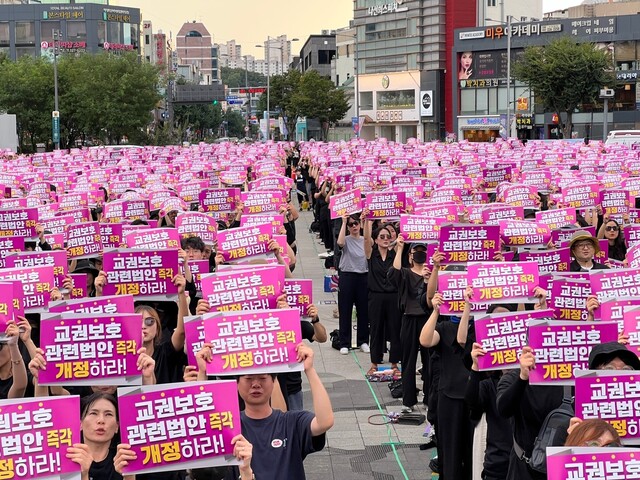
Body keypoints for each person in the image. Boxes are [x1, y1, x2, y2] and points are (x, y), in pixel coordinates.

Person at [195, 342, 334, 480]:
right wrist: (202, 372)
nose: (256, 384)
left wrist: (309, 369)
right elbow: (201, 425)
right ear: (237, 383)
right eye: (248, 378)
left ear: (274, 382)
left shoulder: (292, 422)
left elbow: (325, 422)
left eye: (262, 378)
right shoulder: (229, 426)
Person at [388, 238, 430, 413]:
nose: (420, 254)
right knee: (408, 360)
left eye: (423, 251)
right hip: (409, 319)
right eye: (416, 252)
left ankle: (429, 397)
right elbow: (393, 273)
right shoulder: (405, 273)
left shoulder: (431, 273)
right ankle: (408, 399)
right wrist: (399, 248)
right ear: (411, 256)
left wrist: (429, 278)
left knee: (429, 361)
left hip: (427, 320)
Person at [364, 221, 400, 376]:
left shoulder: (395, 254)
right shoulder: (371, 254)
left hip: (393, 296)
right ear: (376, 239)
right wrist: (366, 222)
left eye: (388, 236)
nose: (386, 239)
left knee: (395, 329)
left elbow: (398, 269)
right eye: (382, 236)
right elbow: (366, 239)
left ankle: (394, 363)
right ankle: (374, 362)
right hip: (376, 297)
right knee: (376, 329)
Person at [336, 213, 369, 355]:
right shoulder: (346, 239)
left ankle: (363, 341)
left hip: (363, 276)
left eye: (356, 223)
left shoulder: (365, 240)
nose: (354, 226)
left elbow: (371, 242)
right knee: (345, 310)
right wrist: (343, 222)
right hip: (347, 276)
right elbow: (340, 243)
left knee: (363, 311)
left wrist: (366, 221)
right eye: (351, 224)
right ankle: (344, 342)